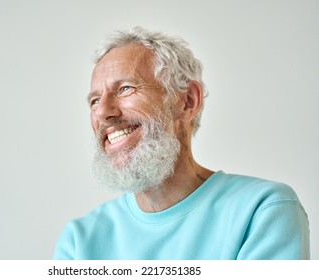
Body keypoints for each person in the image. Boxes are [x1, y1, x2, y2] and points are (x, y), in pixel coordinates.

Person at [54, 27, 310, 259]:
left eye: (125, 89)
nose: (103, 113)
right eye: (94, 100)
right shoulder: (79, 240)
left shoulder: (262, 210)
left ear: (188, 101)